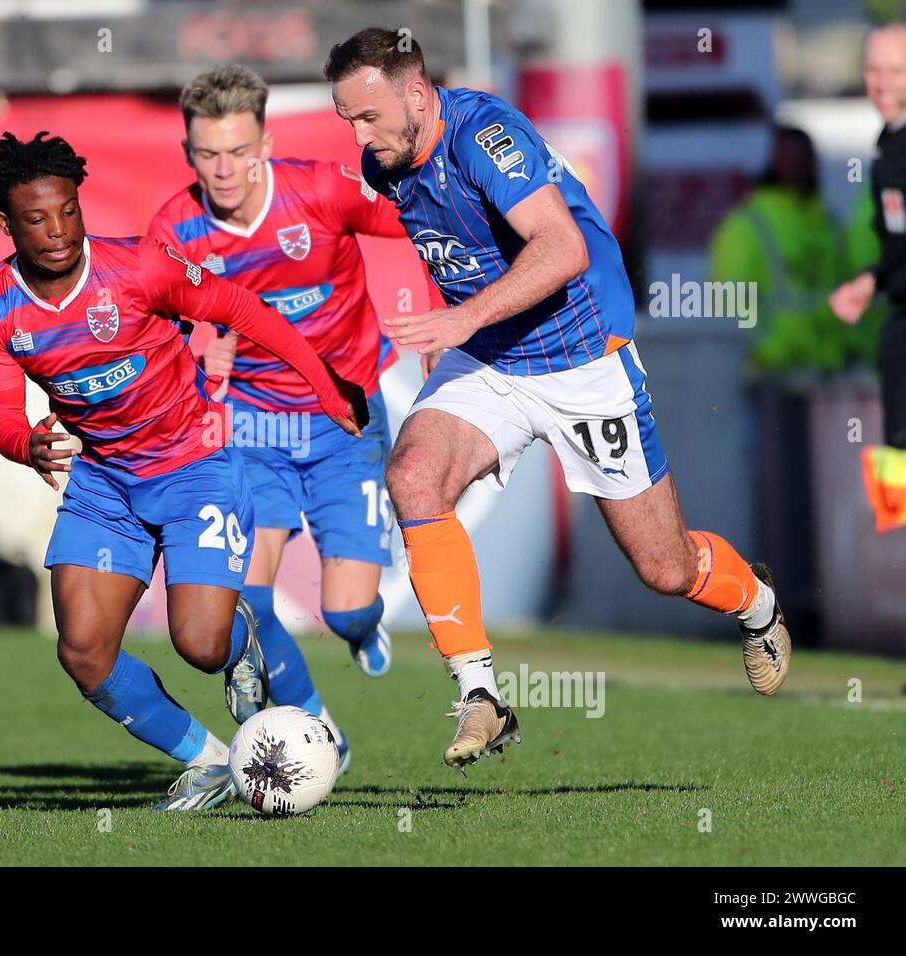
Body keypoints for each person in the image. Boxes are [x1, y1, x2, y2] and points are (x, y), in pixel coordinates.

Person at [325, 28, 792, 769]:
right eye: (346, 117)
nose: (358, 133)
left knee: (666, 569)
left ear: (415, 92)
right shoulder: (384, 163)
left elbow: (563, 247)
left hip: (582, 360)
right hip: (493, 361)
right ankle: (481, 694)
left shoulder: (488, 134)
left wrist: (462, 314)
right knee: (414, 474)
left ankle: (756, 604)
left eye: (367, 115)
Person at [0, 130, 365, 810]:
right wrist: (23, 443)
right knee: (83, 651)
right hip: (105, 483)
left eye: (68, 211)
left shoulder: (140, 268)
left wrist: (326, 387)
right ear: (5, 222)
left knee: (200, 645)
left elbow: (242, 309)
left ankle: (243, 642)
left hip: (195, 465)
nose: (58, 231)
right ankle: (208, 761)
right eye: (36, 218)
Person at [146, 64, 410, 772]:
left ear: (264, 143)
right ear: (188, 154)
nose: (224, 170)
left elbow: (417, 215)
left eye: (238, 151)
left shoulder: (319, 191)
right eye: (208, 155)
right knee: (247, 592)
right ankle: (319, 726)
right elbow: (159, 331)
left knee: (347, 609)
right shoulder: (175, 229)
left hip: (344, 420)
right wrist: (202, 366)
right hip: (251, 426)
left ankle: (360, 630)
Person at [830, 22, 906, 529]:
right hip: (898, 326)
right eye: (872, 70)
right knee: (895, 474)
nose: (880, 82)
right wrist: (873, 281)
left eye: (894, 71)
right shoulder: (888, 149)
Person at [709, 126, 852, 373]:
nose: (797, 165)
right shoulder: (746, 226)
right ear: (773, 161)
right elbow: (728, 306)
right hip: (771, 374)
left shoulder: (829, 225)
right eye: (790, 158)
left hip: (828, 371)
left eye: (803, 158)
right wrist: (764, 350)